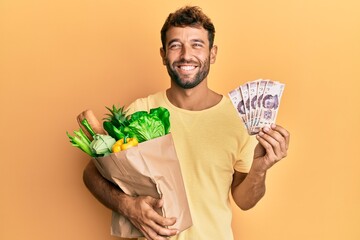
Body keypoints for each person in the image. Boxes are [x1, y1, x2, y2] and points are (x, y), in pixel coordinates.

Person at [83, 5, 290, 240]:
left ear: (212, 53)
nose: (185, 55)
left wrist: (260, 169)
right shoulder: (140, 112)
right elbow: (92, 173)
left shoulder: (238, 119)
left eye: (197, 44)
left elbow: (244, 201)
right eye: (175, 45)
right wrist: (127, 207)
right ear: (163, 55)